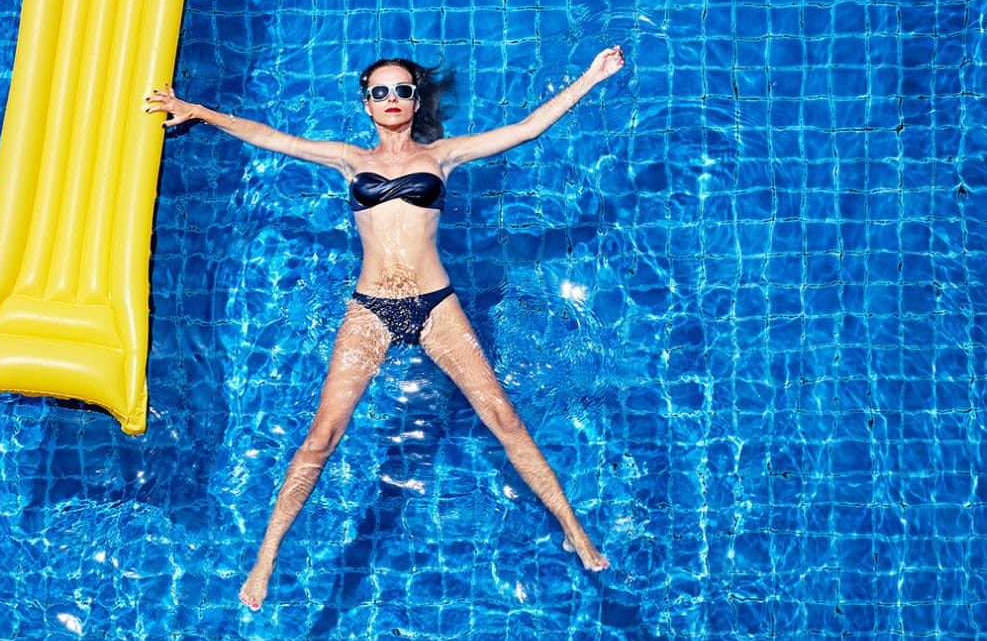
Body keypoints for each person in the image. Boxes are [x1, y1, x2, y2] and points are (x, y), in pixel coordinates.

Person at [144, 44, 627, 610]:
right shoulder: (350, 159)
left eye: (402, 90)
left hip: (435, 304)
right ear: (367, 104)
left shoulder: (443, 155)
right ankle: (268, 555)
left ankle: (572, 527)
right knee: (321, 437)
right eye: (381, 92)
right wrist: (199, 111)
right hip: (371, 307)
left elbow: (526, 129)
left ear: (415, 100)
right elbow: (272, 137)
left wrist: (592, 75)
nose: (392, 99)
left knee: (502, 417)